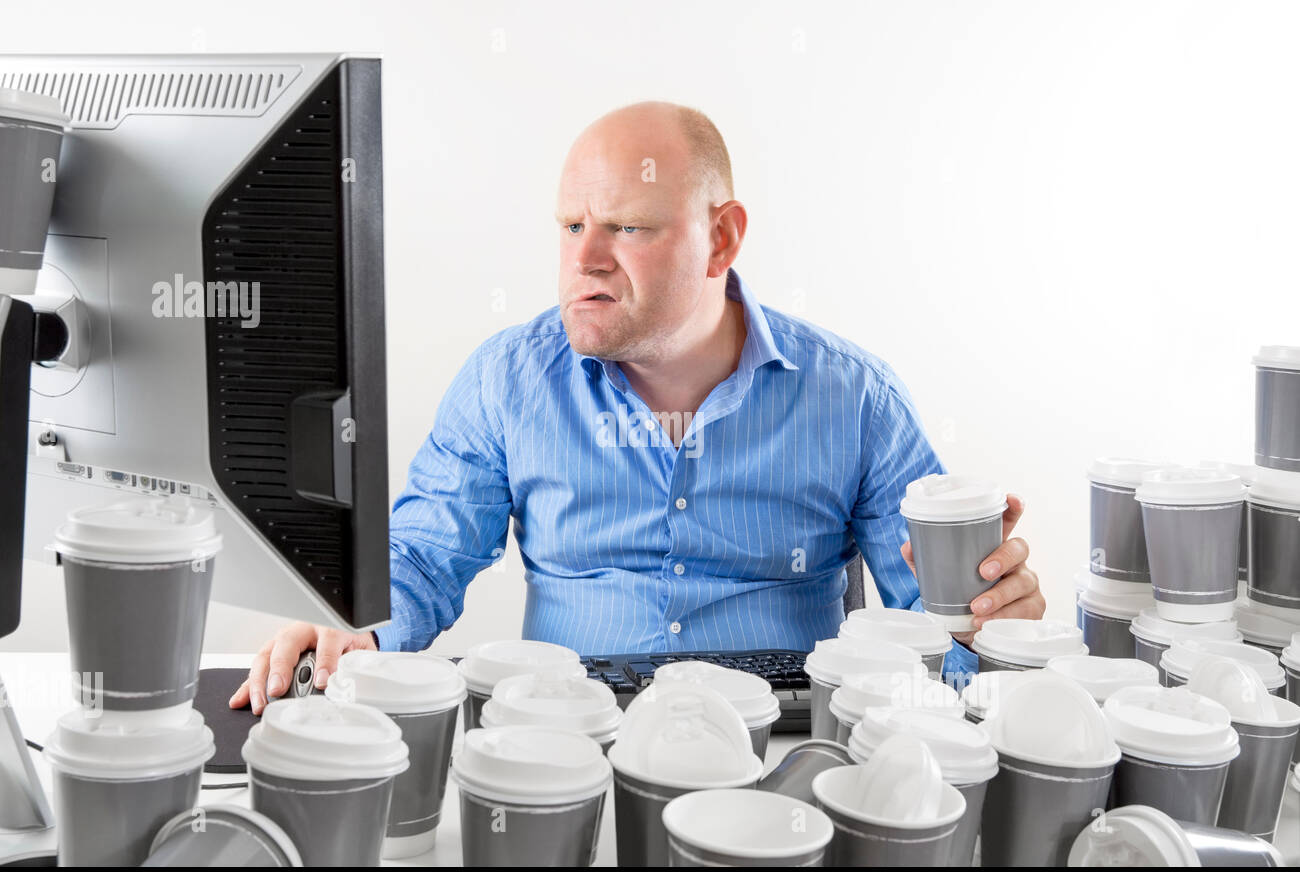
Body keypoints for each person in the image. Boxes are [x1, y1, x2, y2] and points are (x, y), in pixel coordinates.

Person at [230, 100, 1044, 716]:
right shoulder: (507, 382)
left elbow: (937, 629)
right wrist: (355, 627)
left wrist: (990, 625)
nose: (584, 258)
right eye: (573, 224)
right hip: (570, 742)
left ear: (720, 239)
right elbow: (424, 555)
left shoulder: (853, 397)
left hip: (788, 748)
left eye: (625, 226)